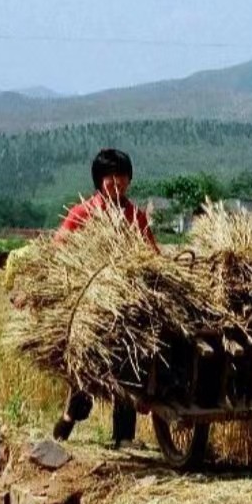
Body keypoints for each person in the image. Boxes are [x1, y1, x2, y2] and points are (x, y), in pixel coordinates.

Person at [51, 148, 158, 446]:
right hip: (92, 304)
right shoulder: (83, 212)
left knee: (130, 359)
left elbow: (152, 254)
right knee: (87, 373)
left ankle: (123, 437)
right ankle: (68, 423)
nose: (117, 182)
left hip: (126, 303)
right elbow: (59, 247)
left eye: (122, 176)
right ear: (99, 180)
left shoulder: (135, 216)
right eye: (110, 176)